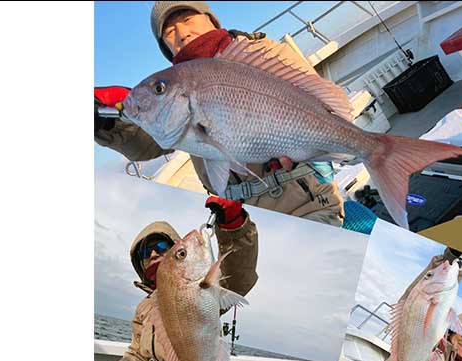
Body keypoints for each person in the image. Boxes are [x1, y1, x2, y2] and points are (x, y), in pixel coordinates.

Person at [95, 1, 344, 228]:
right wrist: (105, 125)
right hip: (241, 222)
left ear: (212, 20)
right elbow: (149, 144)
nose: (182, 33)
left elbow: (317, 101)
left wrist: (305, 145)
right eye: (170, 32)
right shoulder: (177, 90)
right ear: (167, 48)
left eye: (188, 19)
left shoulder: (262, 52)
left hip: (306, 203)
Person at [94, 196, 258, 361]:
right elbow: (134, 355)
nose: (152, 254)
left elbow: (241, 276)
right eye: (145, 253)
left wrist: (234, 226)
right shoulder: (145, 306)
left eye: (161, 247)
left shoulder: (205, 288)